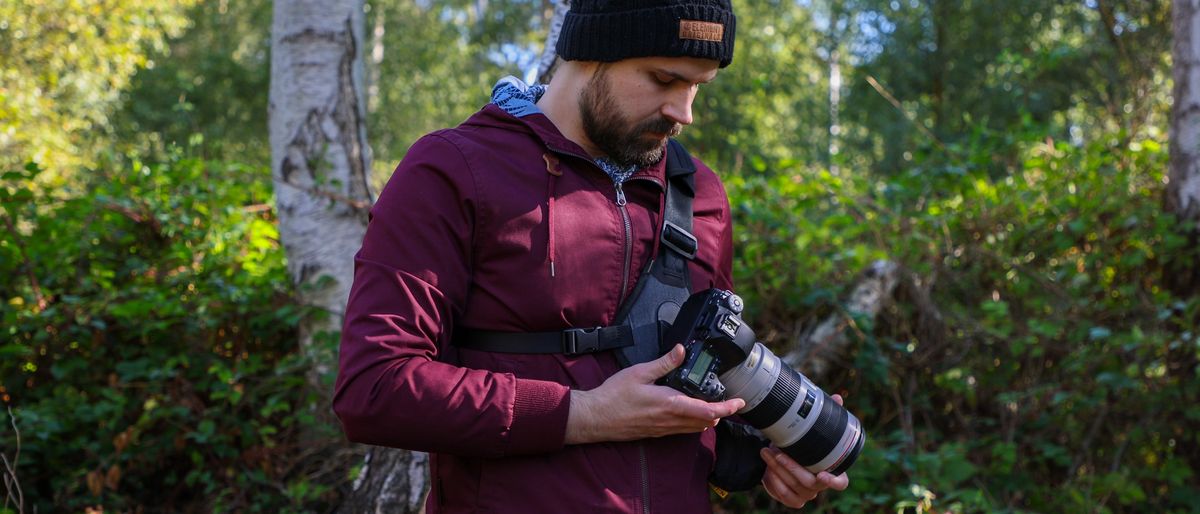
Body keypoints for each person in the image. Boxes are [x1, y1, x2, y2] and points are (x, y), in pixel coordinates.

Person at [333, 1, 849, 511]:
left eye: (697, 86)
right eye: (664, 78)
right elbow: (375, 387)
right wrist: (585, 414)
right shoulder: (454, 170)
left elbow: (701, 377)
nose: (684, 112)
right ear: (589, 53)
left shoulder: (699, 193)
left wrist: (765, 450)